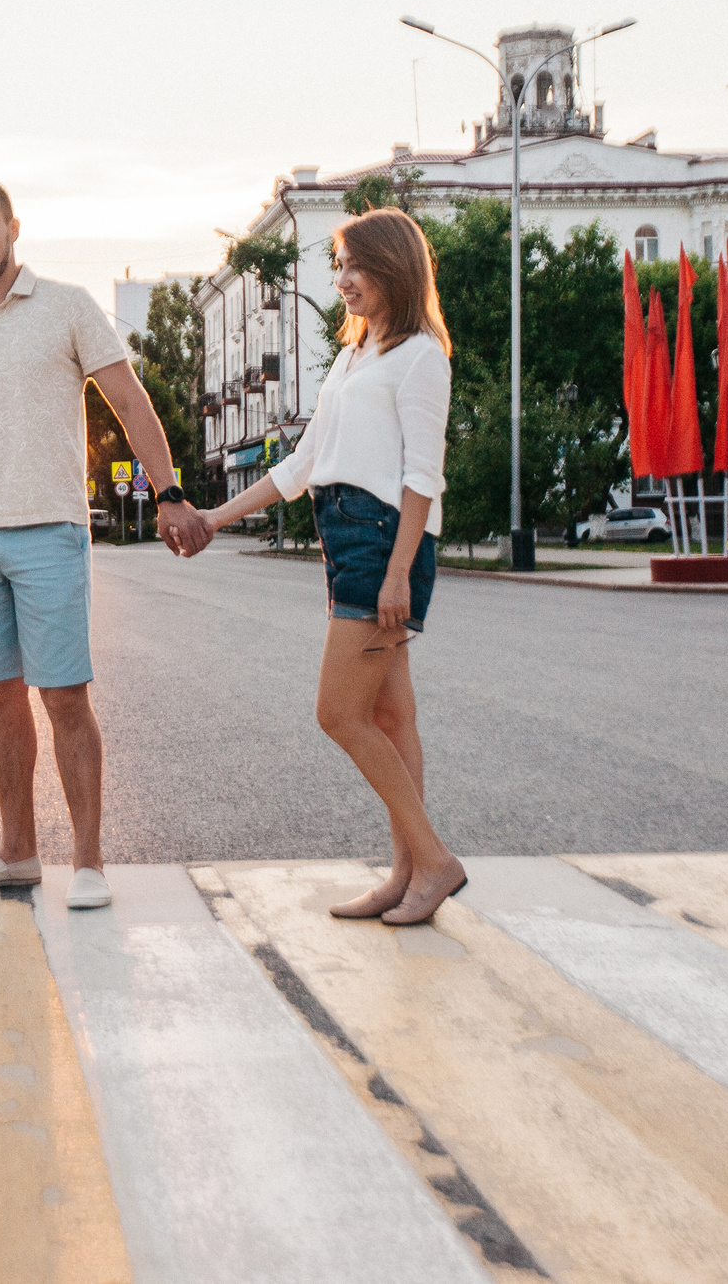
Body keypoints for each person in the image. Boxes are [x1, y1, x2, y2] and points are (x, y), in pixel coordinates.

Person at [0, 180, 211, 913]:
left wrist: (168, 494)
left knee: (64, 696)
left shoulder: (68, 306)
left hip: (50, 529)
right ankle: (17, 852)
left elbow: (130, 401)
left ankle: (89, 861)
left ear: (13, 229)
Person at [195, 208, 466, 925]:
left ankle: (434, 860)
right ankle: (407, 873)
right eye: (338, 265)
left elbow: (421, 474)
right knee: (390, 713)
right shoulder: (354, 357)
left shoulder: (421, 356)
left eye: (357, 265)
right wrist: (212, 519)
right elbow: (302, 464)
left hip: (383, 542)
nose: (343, 279)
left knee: (338, 712)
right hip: (346, 535)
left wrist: (400, 571)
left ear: (395, 268)